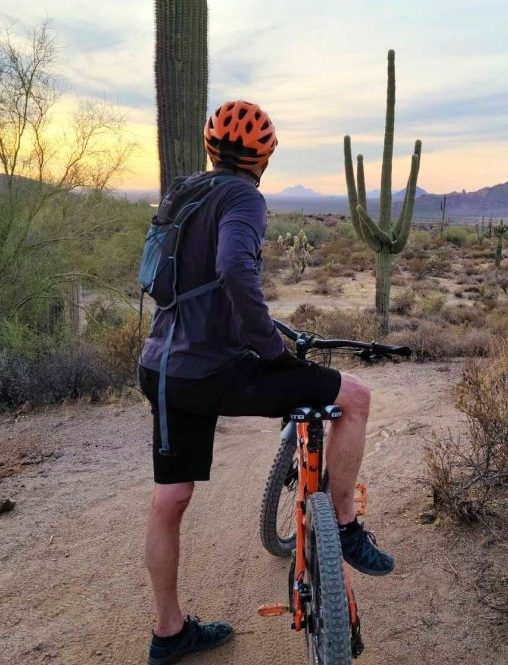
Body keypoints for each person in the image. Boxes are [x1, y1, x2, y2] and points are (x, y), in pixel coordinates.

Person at [138, 100, 394, 665]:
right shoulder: (244, 197)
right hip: (216, 370)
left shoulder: (184, 193)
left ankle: (168, 632)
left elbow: (189, 277)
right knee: (355, 396)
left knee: (170, 498)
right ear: (265, 157)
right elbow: (233, 268)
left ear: (211, 149)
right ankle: (346, 524)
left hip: (161, 368)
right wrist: (268, 345)